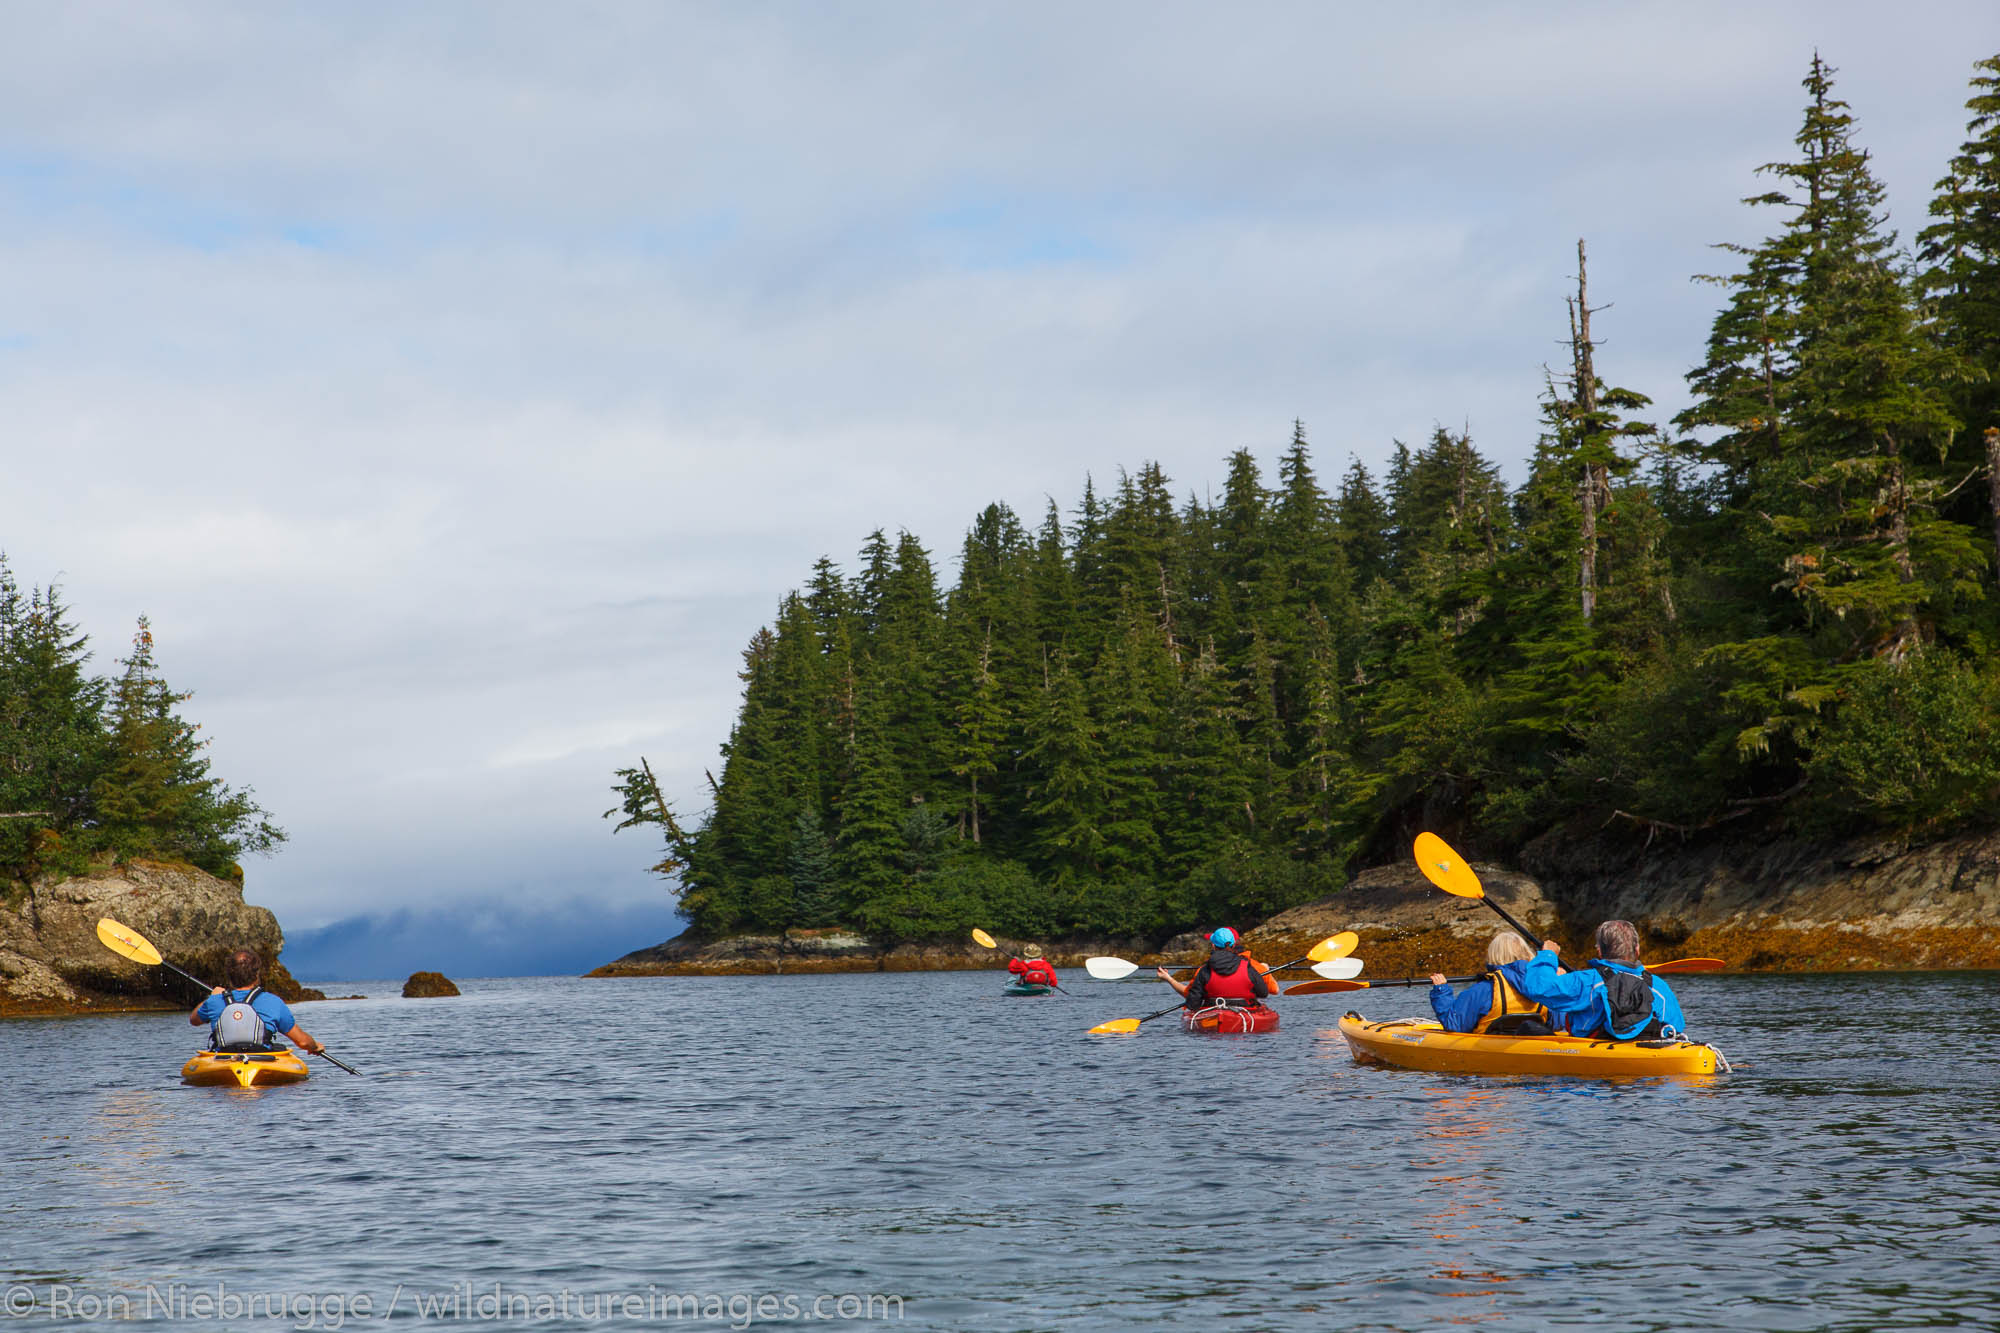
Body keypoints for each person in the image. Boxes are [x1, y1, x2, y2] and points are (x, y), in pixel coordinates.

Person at [1516, 920, 1687, 1040]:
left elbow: (1538, 987)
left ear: (1599, 951)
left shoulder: (1587, 981)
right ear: (1637, 950)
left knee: (1528, 1028)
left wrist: (1548, 955)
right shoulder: (1658, 986)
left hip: (1595, 1067)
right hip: (1649, 1063)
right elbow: (1676, 1028)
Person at [190, 948, 325, 1056]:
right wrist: (314, 1046)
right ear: (256, 975)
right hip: (261, 1058)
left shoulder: (214, 1001)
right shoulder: (273, 1002)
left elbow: (194, 1020)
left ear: (230, 975)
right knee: (281, 1049)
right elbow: (302, 1041)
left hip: (224, 1057)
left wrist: (211, 997)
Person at [1427, 931, 1552, 1035]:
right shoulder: (1545, 985)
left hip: (1493, 1048)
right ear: (1526, 952)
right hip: (1534, 1043)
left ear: (1493, 956)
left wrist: (1441, 991)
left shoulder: (1485, 989)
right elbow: (1557, 1023)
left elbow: (1454, 1025)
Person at [1157, 927, 1271, 1009]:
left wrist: (1169, 978)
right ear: (1233, 945)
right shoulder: (1247, 966)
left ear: (1213, 946)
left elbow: (1192, 1004)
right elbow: (1263, 993)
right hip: (1245, 1010)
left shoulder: (1205, 970)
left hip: (1213, 1011)